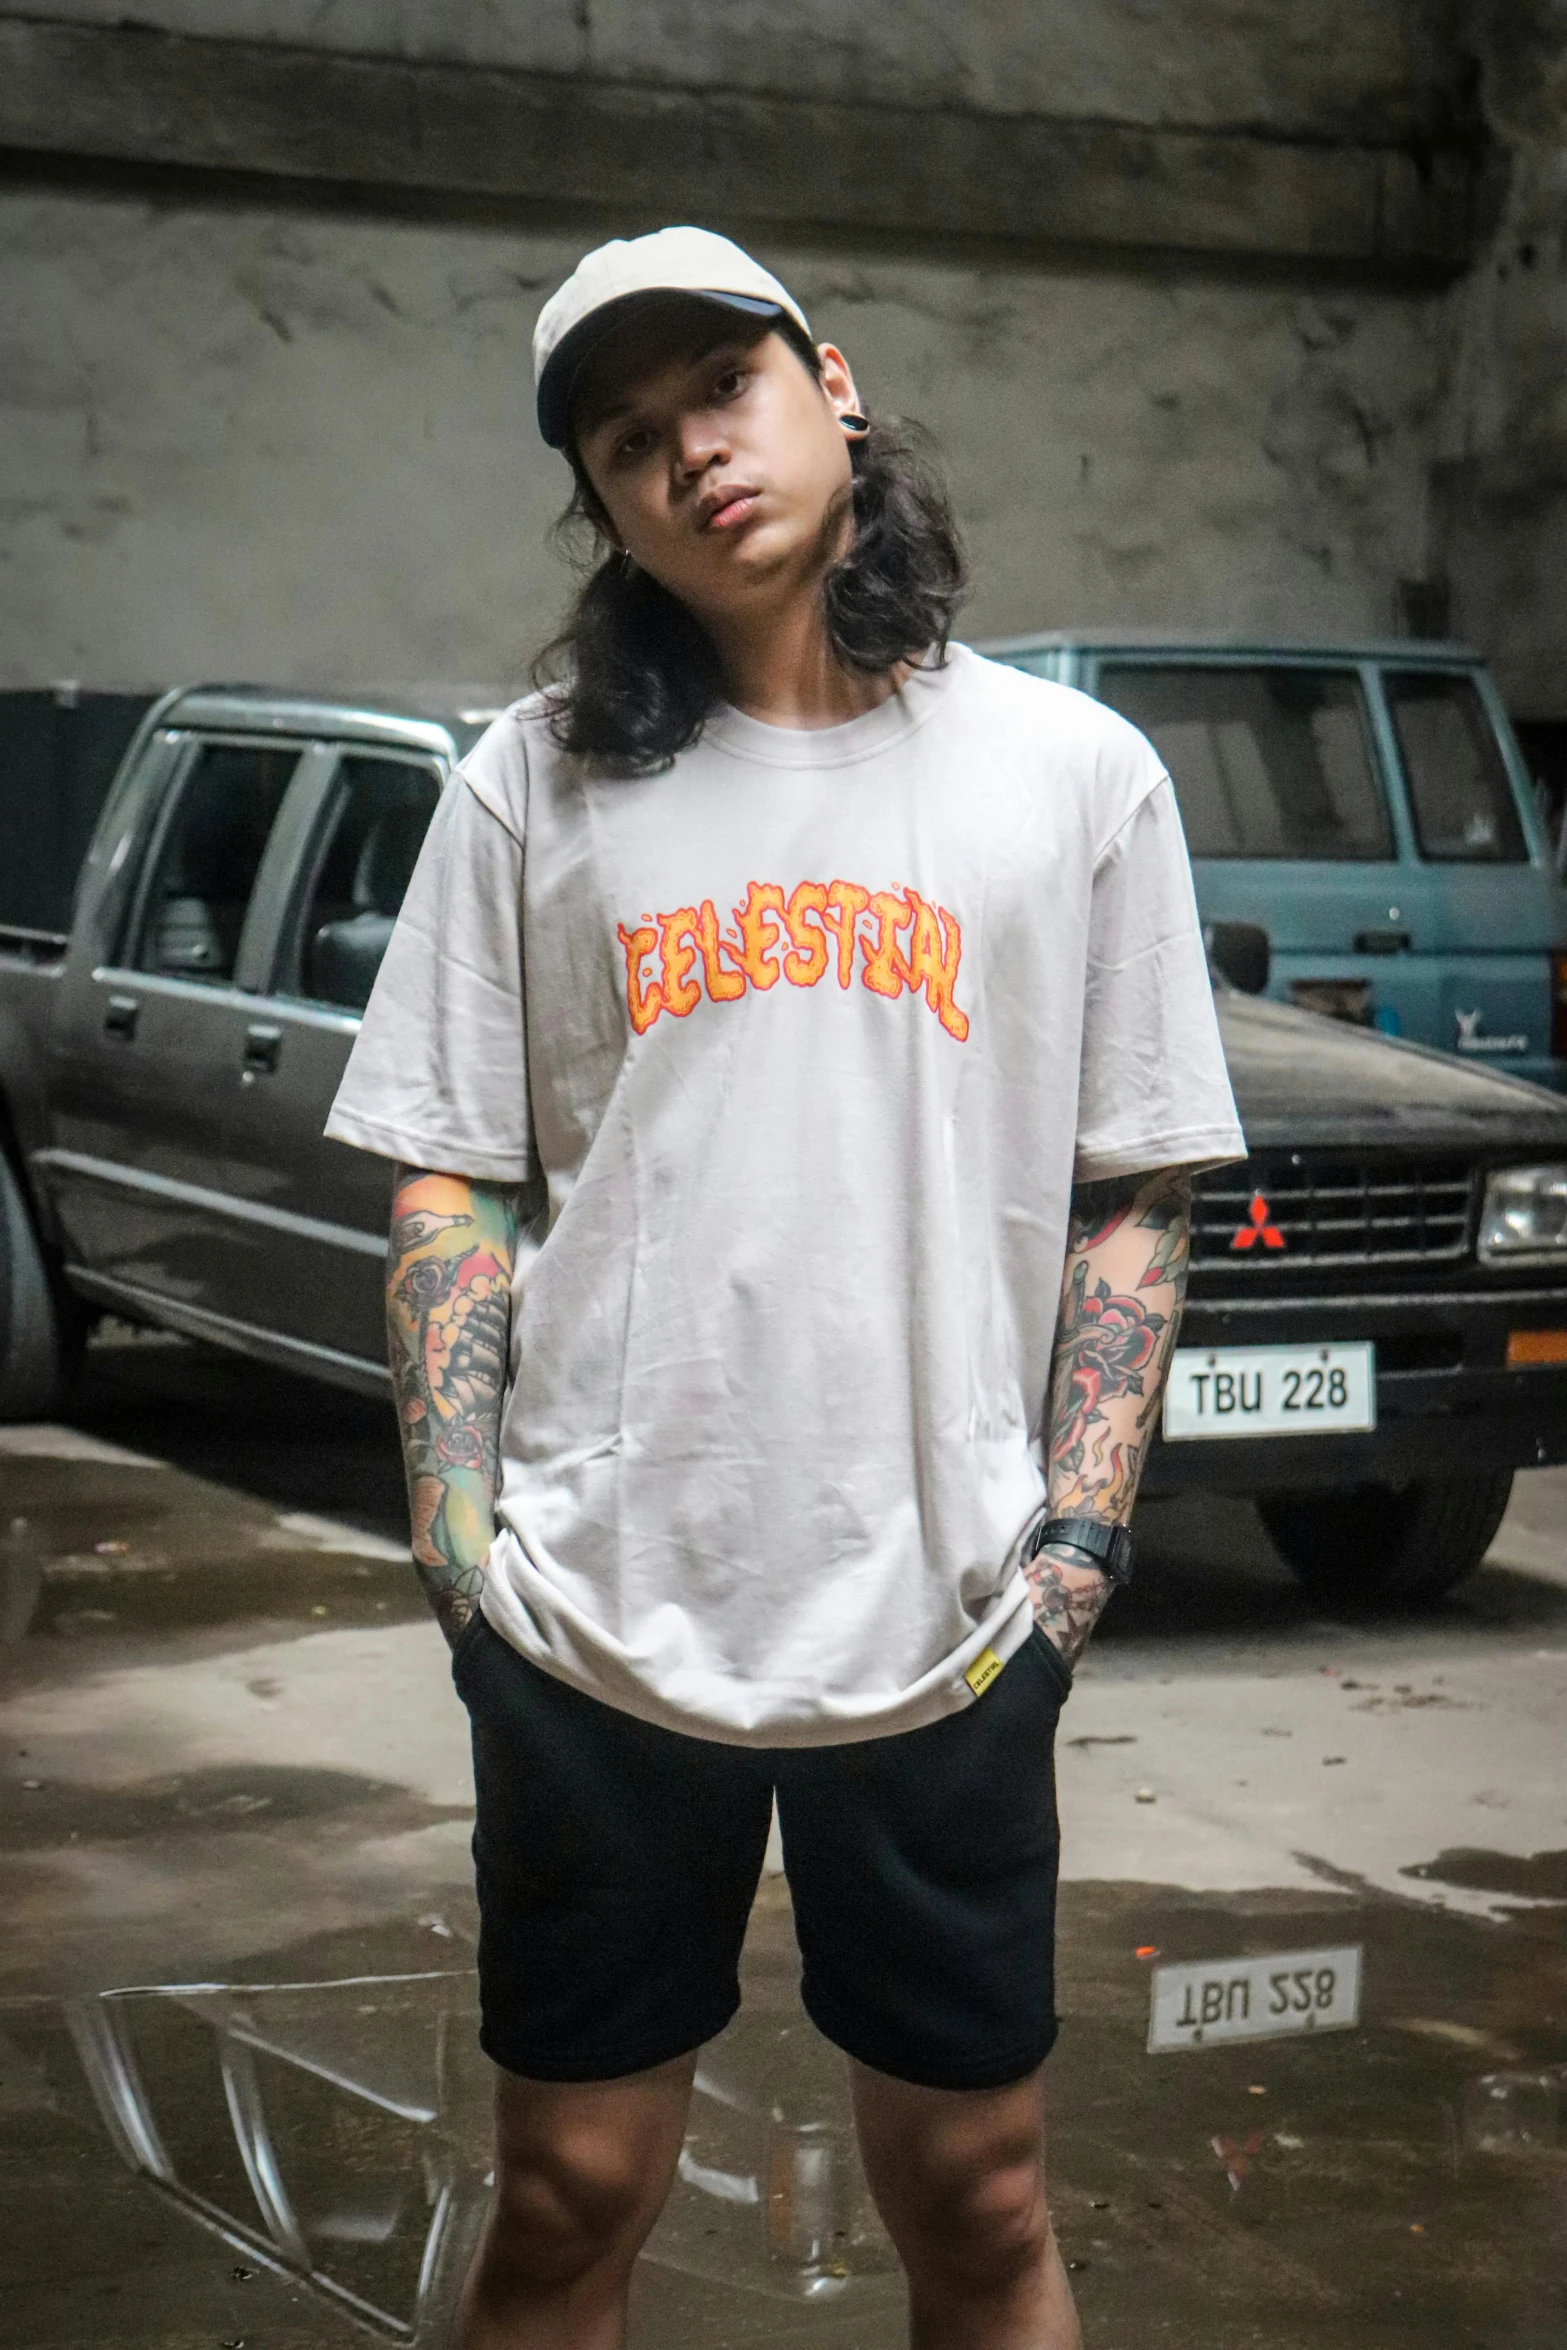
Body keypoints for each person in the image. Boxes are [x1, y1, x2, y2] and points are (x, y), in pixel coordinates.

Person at [326, 225, 1243, 2350]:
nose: (690, 456)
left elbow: (1134, 1194)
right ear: (606, 507)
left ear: (831, 385)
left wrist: (1081, 1547)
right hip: (595, 1611)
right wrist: (467, 1551)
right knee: (565, 2191)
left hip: (944, 1609)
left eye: (719, 392)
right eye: (629, 442)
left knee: (979, 2192)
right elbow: (449, 1177)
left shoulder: (1070, 777)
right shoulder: (529, 777)